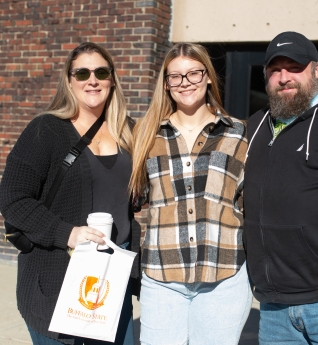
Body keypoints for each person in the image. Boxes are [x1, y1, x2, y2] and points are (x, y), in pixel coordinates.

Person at [0, 42, 140, 345]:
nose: (92, 80)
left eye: (101, 72)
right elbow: (13, 198)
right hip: (57, 279)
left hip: (112, 282)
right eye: (82, 73)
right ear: (69, 80)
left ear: (112, 79)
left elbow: (132, 205)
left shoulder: (128, 132)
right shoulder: (45, 130)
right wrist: (67, 233)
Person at [130, 43, 252, 345]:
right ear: (166, 83)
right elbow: (133, 196)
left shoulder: (239, 134)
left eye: (193, 73)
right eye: (176, 77)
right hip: (162, 276)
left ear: (208, 76)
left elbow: (250, 203)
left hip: (223, 275)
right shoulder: (145, 134)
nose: (185, 83)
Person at [243, 31, 318, 345]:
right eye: (275, 69)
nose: (284, 77)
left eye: (294, 67)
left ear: (317, 69)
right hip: (273, 309)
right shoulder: (255, 126)